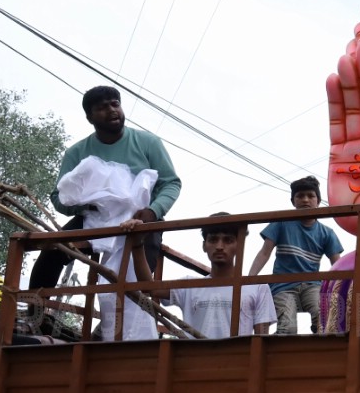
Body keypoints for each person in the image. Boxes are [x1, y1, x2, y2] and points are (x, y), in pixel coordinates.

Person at [30, 86, 181, 290]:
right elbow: (58, 197)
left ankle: (131, 315)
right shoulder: (77, 152)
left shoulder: (148, 142)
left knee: (138, 272)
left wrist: (153, 211)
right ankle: (35, 313)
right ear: (89, 118)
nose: (112, 110)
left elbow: (171, 183)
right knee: (53, 251)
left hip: (140, 217)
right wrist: (89, 207)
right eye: (102, 107)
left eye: (115, 104)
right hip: (93, 218)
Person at [125, 213, 275, 338]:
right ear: (204, 246)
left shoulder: (257, 288)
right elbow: (149, 288)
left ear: (239, 246)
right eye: (213, 239)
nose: (220, 246)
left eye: (228, 240)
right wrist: (137, 244)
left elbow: (261, 340)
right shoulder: (189, 286)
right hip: (194, 366)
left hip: (238, 367)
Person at [249, 176, 343, 334]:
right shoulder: (281, 223)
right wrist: (249, 280)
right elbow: (264, 253)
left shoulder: (326, 233)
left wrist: (341, 289)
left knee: (322, 318)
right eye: (300, 196)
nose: (305, 200)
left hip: (312, 285)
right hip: (283, 286)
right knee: (287, 326)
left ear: (318, 200)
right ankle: (282, 356)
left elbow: (338, 265)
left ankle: (322, 354)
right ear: (293, 201)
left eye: (310, 196)